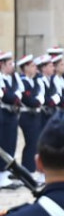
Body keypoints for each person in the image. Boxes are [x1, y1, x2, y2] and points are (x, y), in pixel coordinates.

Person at [0, 52, 19, 188]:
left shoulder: (13, 78)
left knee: (11, 144)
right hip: (3, 113)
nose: (12, 66)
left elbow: (19, 93)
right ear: (2, 64)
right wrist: (14, 97)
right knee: (4, 144)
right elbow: (6, 96)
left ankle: (6, 173)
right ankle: (1, 174)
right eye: (10, 63)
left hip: (12, 113)